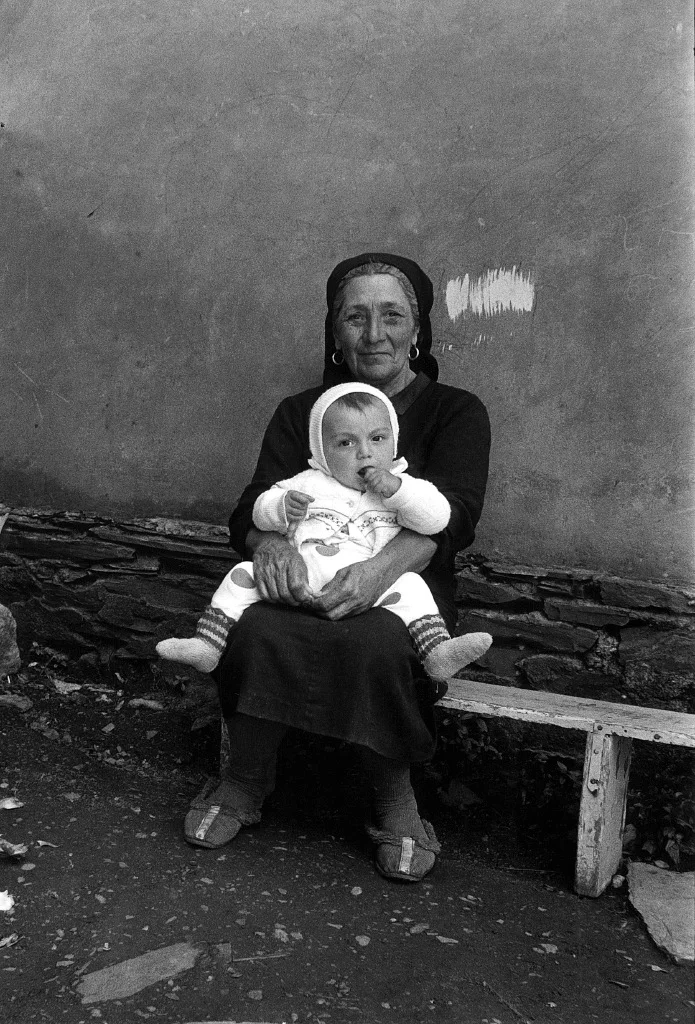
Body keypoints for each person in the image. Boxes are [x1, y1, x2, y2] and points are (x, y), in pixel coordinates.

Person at [182, 253, 491, 884]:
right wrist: (270, 550)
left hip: (407, 590)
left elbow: (454, 516)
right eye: (355, 318)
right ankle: (245, 782)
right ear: (334, 330)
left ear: (418, 329)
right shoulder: (303, 414)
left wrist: (379, 572)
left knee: (377, 644)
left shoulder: (456, 411)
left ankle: (395, 804)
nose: (374, 335)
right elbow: (254, 506)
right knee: (259, 629)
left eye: (392, 316)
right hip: (307, 577)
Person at [156, 382, 492, 681]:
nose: (365, 452)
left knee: (413, 587)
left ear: (394, 443)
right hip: (301, 580)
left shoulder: (404, 487)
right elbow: (258, 507)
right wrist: (280, 508)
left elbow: (439, 519)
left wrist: (398, 490)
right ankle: (207, 644)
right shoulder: (309, 481)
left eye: (377, 439)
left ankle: (436, 652)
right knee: (242, 575)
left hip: (370, 586)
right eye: (346, 443)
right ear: (322, 454)